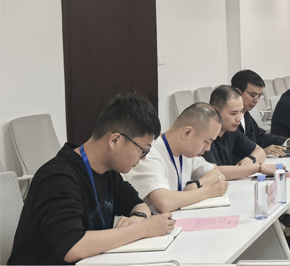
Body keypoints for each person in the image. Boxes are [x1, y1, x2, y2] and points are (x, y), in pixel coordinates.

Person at [9, 96, 175, 265]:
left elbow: (138, 205)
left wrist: (138, 218)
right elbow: (73, 247)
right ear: (115, 140)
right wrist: (142, 229)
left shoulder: (108, 171)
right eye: (143, 150)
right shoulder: (58, 177)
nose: (143, 158)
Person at [122, 103, 229, 213]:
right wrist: (208, 192)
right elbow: (163, 202)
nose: (208, 148)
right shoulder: (149, 153)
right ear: (187, 132)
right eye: (206, 142)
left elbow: (217, 173)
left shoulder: (187, 152)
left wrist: (196, 184)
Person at [202, 86, 276, 178]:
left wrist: (251, 159)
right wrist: (258, 167)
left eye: (241, 112)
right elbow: (213, 171)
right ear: (216, 111)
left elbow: (260, 151)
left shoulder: (231, 131)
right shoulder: (203, 134)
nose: (239, 118)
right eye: (233, 113)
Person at [231, 69, 290, 157]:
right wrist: (261, 152)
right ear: (237, 92)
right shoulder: (227, 121)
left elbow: (261, 137)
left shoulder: (246, 114)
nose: (256, 100)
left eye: (259, 96)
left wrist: (288, 141)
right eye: (253, 95)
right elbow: (233, 153)